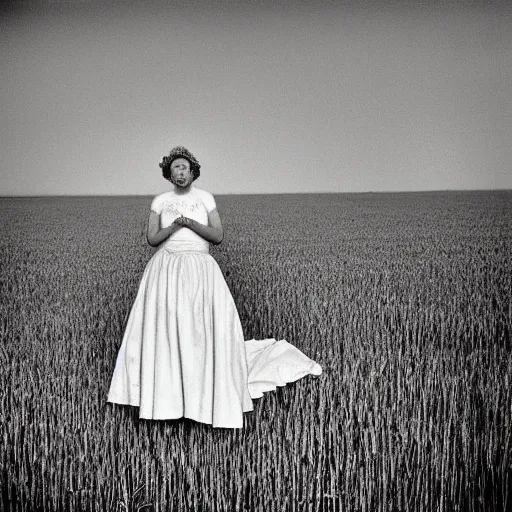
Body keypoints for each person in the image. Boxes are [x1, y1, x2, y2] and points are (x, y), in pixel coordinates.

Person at [107, 146, 322, 428]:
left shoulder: (205, 198)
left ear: (192, 171)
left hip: (200, 268)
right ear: (168, 175)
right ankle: (169, 398)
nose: (179, 172)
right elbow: (152, 238)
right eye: (174, 169)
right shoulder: (159, 201)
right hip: (166, 269)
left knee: (201, 327)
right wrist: (174, 226)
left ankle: (203, 393)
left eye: (184, 167)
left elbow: (217, 236)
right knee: (167, 328)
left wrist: (190, 222)